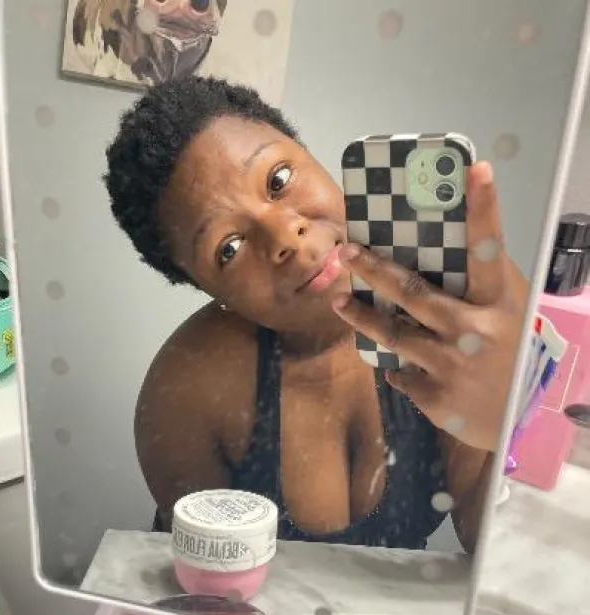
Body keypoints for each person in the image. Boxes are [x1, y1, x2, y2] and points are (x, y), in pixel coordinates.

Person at [104, 74, 527, 554]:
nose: (285, 236)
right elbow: (208, 582)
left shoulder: (450, 313)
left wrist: (508, 415)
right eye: (229, 248)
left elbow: (484, 541)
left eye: (278, 180)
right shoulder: (188, 392)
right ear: (210, 291)